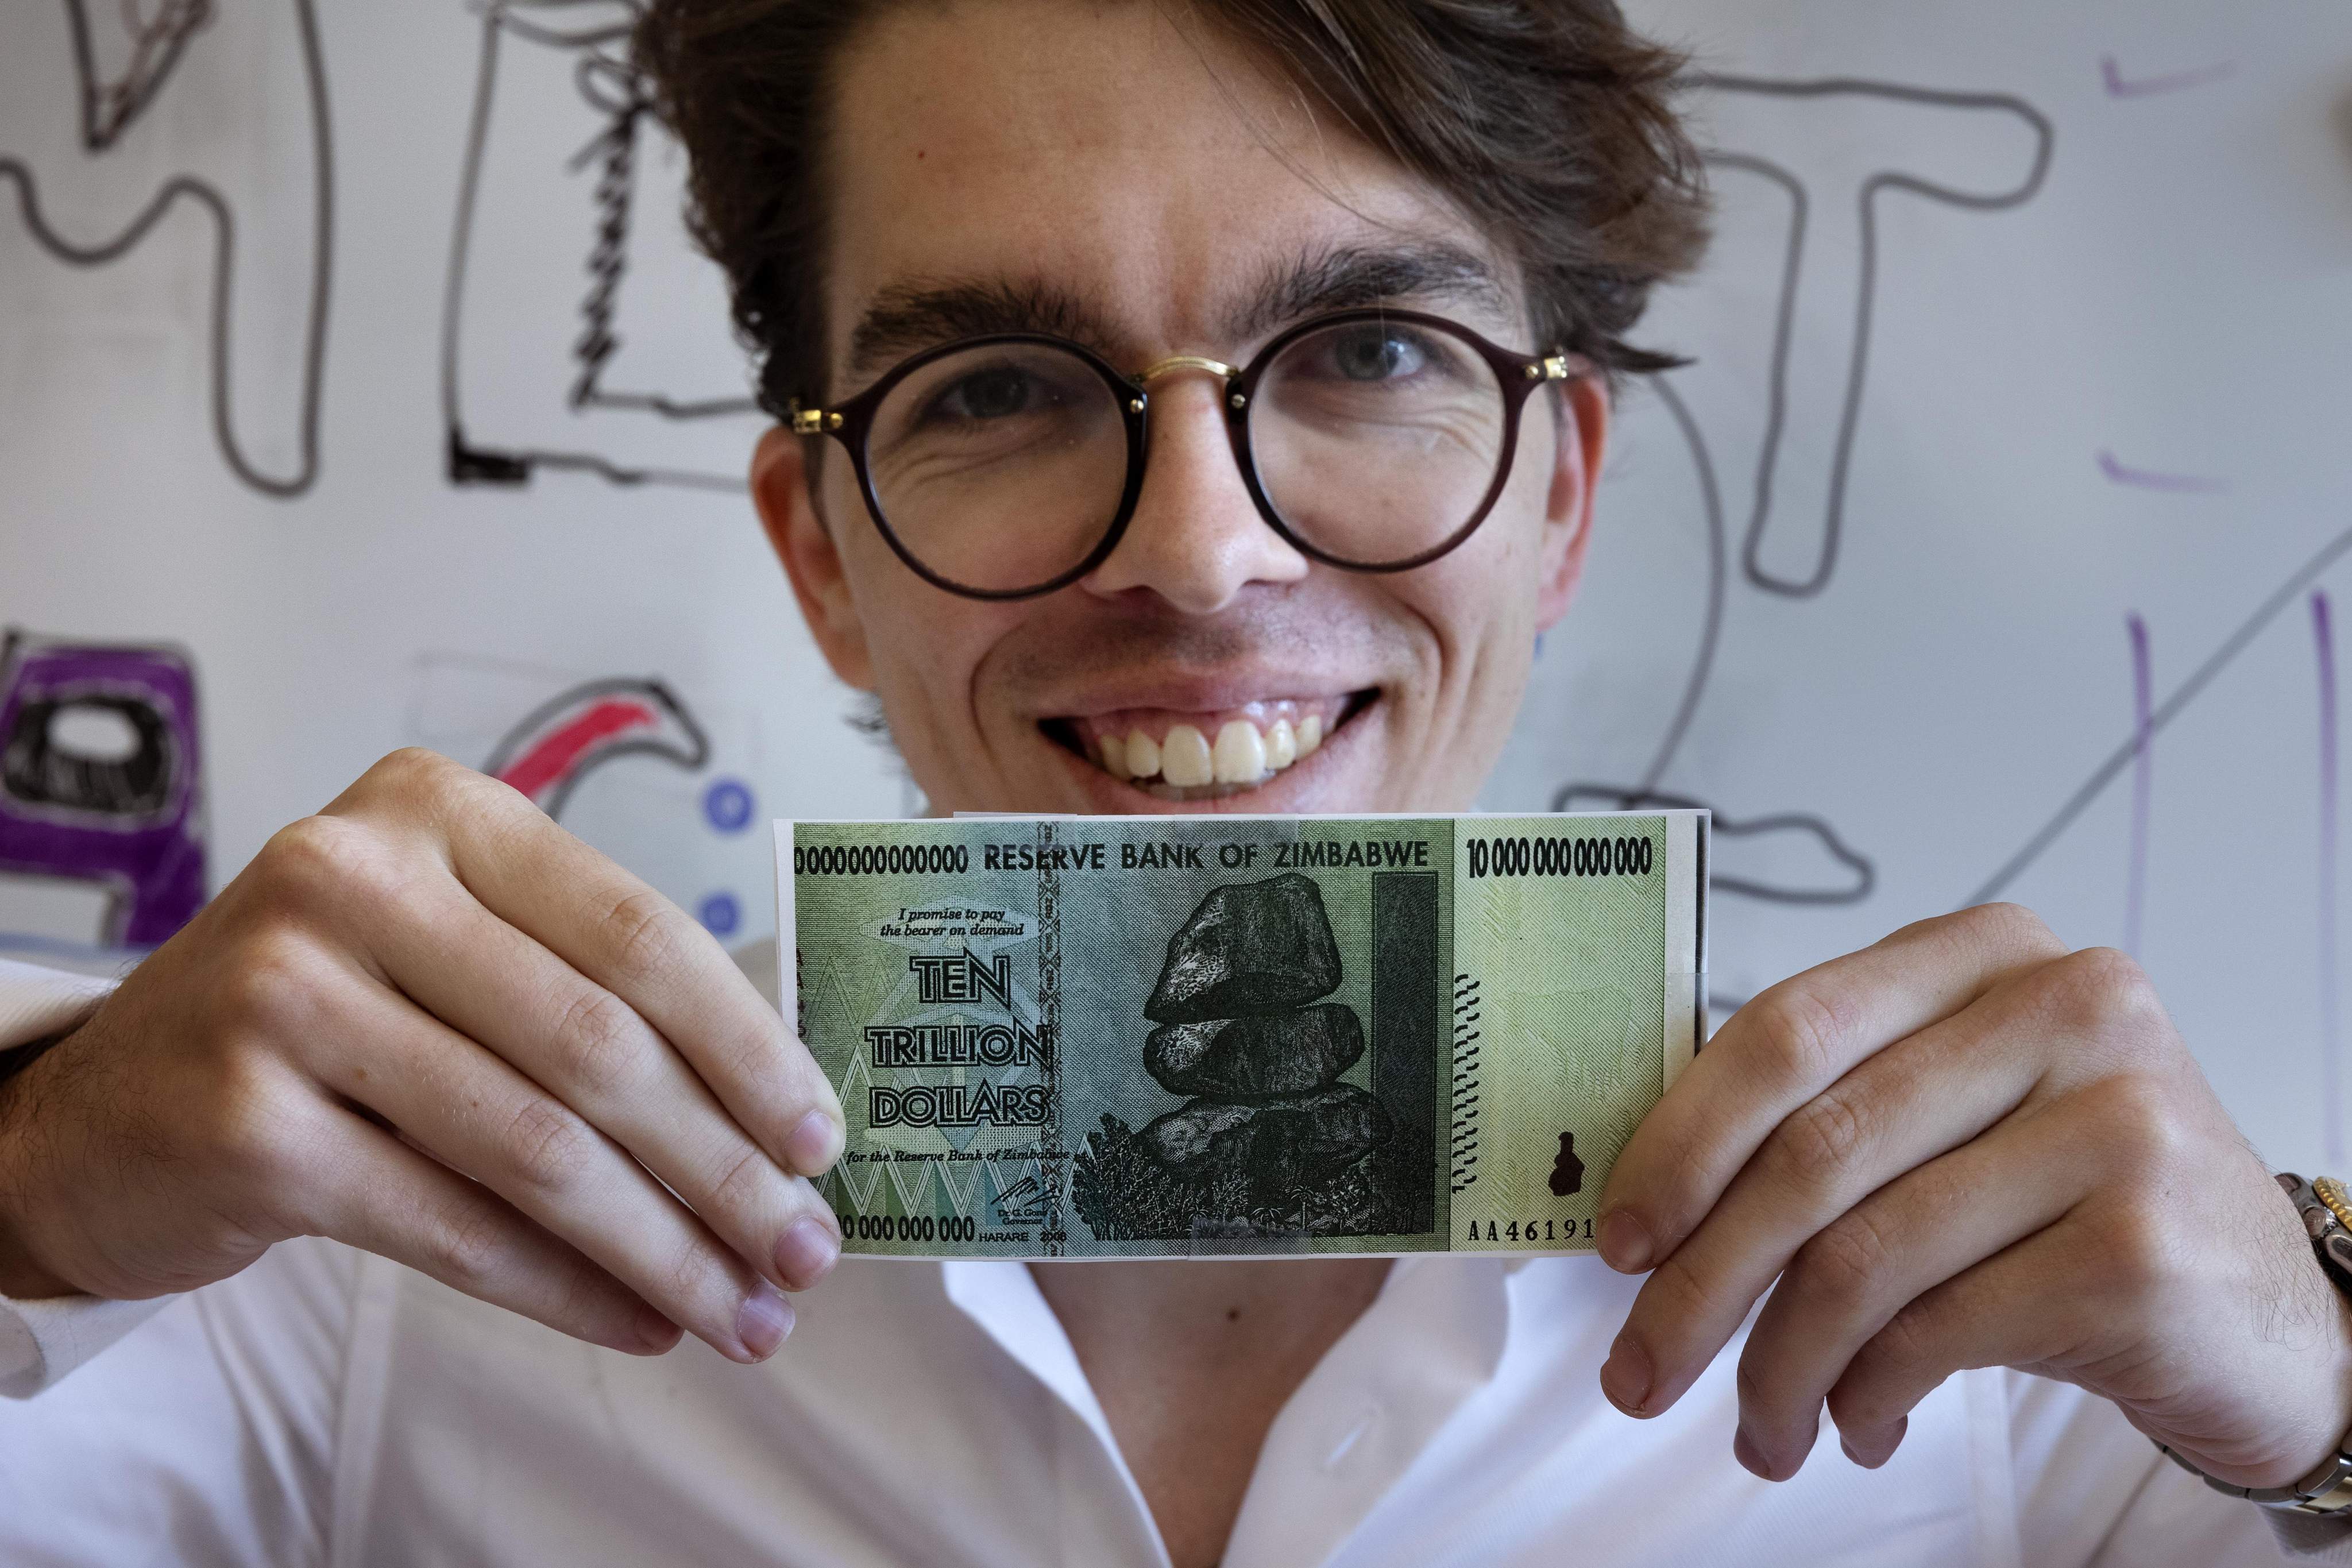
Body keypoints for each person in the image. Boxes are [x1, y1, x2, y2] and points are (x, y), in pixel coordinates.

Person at [1, 3, 2347, 1564]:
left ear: (1555, 495)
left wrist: (2337, 1372)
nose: (1200, 555)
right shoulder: (350, 1274)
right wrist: (26, 1185)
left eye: (1372, 350)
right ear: (824, 553)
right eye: (1003, 389)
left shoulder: (2012, 1350)